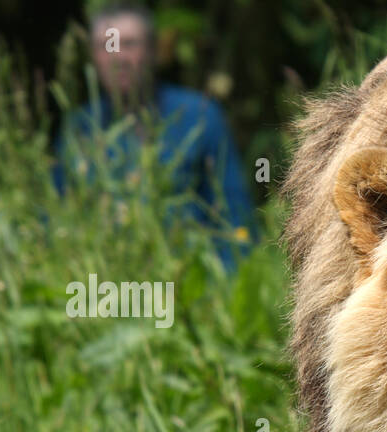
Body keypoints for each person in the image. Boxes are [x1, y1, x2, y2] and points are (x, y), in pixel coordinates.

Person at [53, 4, 256, 270]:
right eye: (106, 46)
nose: (118, 58)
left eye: (129, 44)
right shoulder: (79, 128)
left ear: (153, 52)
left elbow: (235, 217)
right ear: (92, 58)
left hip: (189, 282)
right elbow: (55, 218)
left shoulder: (201, 116)